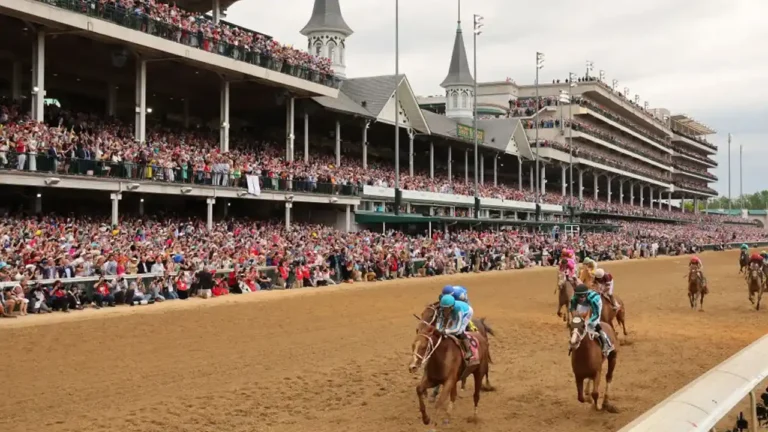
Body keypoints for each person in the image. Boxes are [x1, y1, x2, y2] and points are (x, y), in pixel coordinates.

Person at [569, 283, 614, 357]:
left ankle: (607, 344)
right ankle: (574, 339)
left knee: (594, 324)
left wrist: (587, 322)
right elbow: (572, 309)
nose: (580, 298)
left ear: (586, 294)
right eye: (578, 296)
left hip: (595, 302)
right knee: (576, 323)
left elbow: (596, 314)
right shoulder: (574, 298)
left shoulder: (593, 299)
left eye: (582, 296)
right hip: (585, 304)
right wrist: (575, 319)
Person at [435, 294, 476, 365]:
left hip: (466, 312)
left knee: (460, 332)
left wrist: (446, 331)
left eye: (446, 309)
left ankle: (468, 351)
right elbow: (440, 320)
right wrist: (438, 329)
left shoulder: (458, 310)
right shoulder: (443, 308)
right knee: (448, 327)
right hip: (454, 311)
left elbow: (457, 329)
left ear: (451, 307)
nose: (444, 311)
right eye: (443, 308)